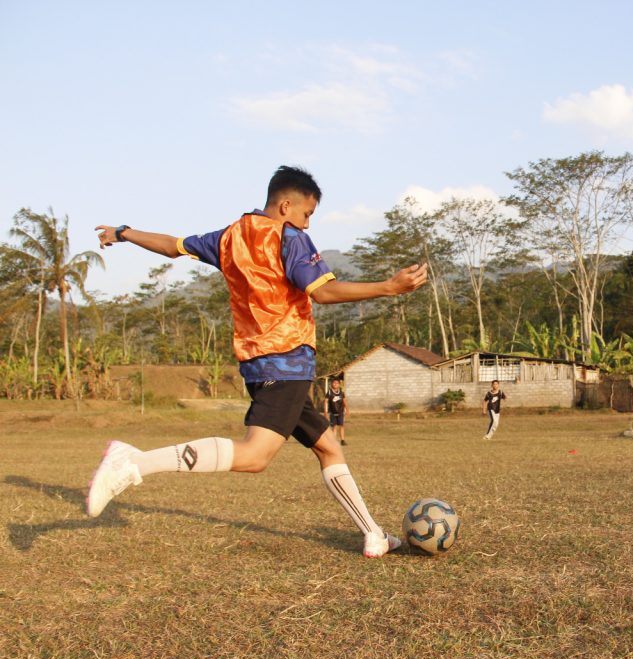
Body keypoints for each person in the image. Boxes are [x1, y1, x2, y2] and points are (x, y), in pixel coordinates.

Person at [87, 166, 428, 558]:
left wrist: (124, 233)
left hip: (259, 365)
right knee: (254, 456)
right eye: (307, 213)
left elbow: (172, 245)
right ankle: (134, 462)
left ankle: (374, 534)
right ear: (286, 205)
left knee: (328, 447)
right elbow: (324, 292)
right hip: (285, 363)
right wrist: (389, 287)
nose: (308, 221)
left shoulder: (229, 236)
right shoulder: (290, 237)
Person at [324, 377, 349, 445]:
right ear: (332, 384)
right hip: (332, 413)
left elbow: (344, 401)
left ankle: (342, 440)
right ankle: (334, 441)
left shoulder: (341, 392)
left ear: (339, 384)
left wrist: (347, 410)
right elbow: (325, 402)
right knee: (334, 426)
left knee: (341, 426)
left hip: (340, 412)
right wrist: (325, 412)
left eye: (337, 383)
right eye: (334, 383)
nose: (335, 384)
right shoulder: (329, 392)